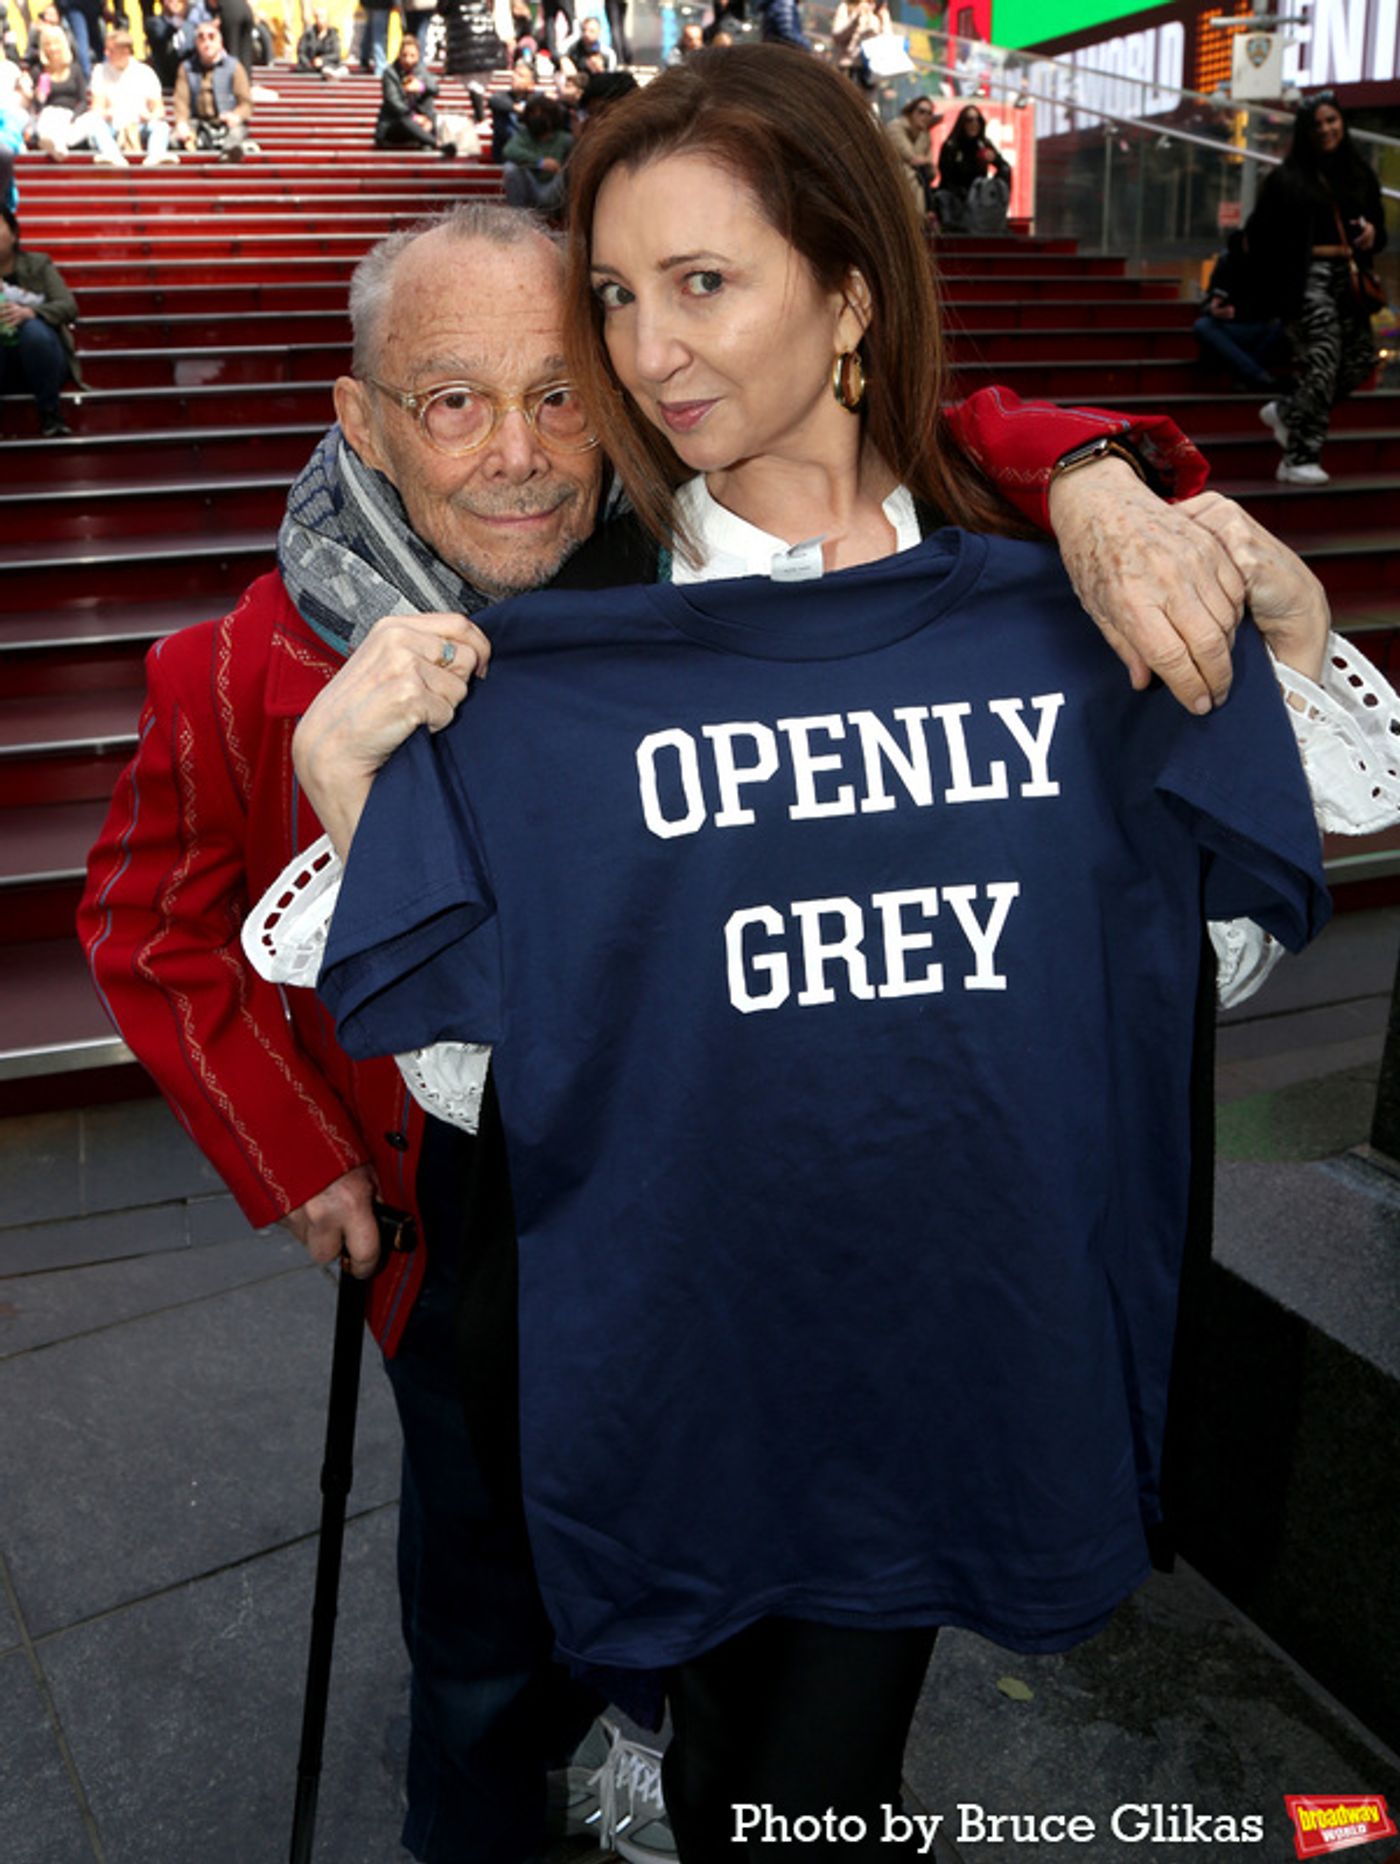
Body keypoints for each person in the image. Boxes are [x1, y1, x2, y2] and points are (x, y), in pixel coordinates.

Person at [80, 186, 1335, 1863]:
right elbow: (147, 925)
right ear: (365, 421)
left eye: (561, 391)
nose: (519, 453)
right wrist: (300, 1156)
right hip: (440, 1198)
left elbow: (915, 414)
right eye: (454, 402)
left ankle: (662, 1730)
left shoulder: (677, 567)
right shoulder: (234, 665)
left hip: (711, 1172)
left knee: (707, 1561)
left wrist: (1093, 473)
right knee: (486, 1589)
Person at [1247, 93, 1388, 487]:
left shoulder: (1359, 172)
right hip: (1307, 281)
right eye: (1317, 124)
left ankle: (1289, 412)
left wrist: (1373, 234)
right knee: (1324, 362)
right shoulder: (1288, 178)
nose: (1326, 130)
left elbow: (1379, 229)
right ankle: (1298, 457)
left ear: (1342, 122)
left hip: (1351, 279)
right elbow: (1259, 236)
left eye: (1332, 121)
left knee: (1359, 360)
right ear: (1305, 132)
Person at [0, 202, 83, 437]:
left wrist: (31, 313)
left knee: (34, 331)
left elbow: (68, 306)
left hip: (42, 360)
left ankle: (50, 413)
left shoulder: (38, 264)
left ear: (15, 234)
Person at [1193, 230, 1285, 391]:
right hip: (1228, 327)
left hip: (1260, 326)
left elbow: (1276, 305)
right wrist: (1214, 310)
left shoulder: (1269, 264)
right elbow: (1209, 300)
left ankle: (1247, 375)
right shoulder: (1226, 262)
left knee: (1284, 326)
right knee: (1203, 326)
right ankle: (1256, 375)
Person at [87, 28, 177, 164]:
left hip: (140, 124)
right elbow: (97, 108)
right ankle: (111, 155)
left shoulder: (145, 72)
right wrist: (108, 114)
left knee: (161, 126)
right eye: (107, 49)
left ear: (126, 51)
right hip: (113, 125)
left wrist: (149, 117)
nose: (106, 53)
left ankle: (156, 154)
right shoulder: (100, 71)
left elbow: (159, 110)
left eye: (111, 50)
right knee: (97, 125)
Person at [172, 17, 253, 157]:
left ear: (220, 42)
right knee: (173, 141)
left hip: (227, 124)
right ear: (196, 43)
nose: (207, 43)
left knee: (234, 142)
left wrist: (236, 116)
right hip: (197, 123)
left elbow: (245, 103)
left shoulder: (234, 67)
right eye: (201, 38)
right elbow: (181, 101)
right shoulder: (186, 68)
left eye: (211, 37)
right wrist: (181, 123)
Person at [935, 102, 1011, 232]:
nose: (974, 124)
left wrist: (994, 159)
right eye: (969, 120)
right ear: (962, 123)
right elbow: (947, 179)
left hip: (980, 196)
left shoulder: (983, 144)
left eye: (978, 120)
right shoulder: (951, 145)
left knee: (1005, 171)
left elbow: (1004, 167)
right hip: (957, 195)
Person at [374, 35, 453, 155]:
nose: (408, 60)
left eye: (412, 56)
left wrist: (420, 87)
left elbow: (436, 89)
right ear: (399, 55)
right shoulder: (390, 73)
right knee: (405, 119)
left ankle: (426, 140)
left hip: (418, 122)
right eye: (404, 55)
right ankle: (437, 143)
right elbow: (393, 102)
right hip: (395, 126)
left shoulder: (421, 70)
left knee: (428, 99)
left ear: (418, 56)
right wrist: (416, 118)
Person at [25, 22, 91, 157]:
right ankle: (55, 145)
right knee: (50, 116)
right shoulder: (39, 71)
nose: (52, 48)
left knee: (93, 119)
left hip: (71, 116)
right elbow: (38, 106)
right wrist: (39, 96)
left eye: (56, 43)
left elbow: (83, 101)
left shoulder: (75, 69)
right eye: (48, 44)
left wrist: (73, 117)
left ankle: (58, 145)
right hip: (49, 114)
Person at [501, 92, 570, 210]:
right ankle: (517, 215)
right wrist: (540, 162)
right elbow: (509, 150)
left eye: (540, 113)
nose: (536, 117)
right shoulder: (524, 136)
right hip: (530, 186)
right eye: (532, 113)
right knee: (510, 168)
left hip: (554, 189)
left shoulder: (565, 139)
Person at [884, 93, 937, 216]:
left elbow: (931, 169)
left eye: (929, 113)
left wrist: (925, 162)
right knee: (911, 174)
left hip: (915, 177)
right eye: (921, 111)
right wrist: (925, 162)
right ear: (911, 112)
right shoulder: (895, 127)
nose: (925, 116)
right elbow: (912, 158)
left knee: (918, 176)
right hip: (892, 177)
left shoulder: (924, 135)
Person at [830, 0, 891, 87]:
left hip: (870, 72)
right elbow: (837, 36)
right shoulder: (847, 7)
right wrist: (855, 18)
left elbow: (888, 42)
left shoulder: (881, 11)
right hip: (847, 68)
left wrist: (883, 20)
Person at [296, 3, 348, 77]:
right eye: (317, 17)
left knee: (332, 69)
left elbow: (336, 55)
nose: (320, 20)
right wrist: (310, 63)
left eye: (322, 17)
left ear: (327, 18)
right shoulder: (308, 33)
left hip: (328, 66)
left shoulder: (333, 34)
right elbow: (301, 52)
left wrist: (322, 60)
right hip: (309, 68)